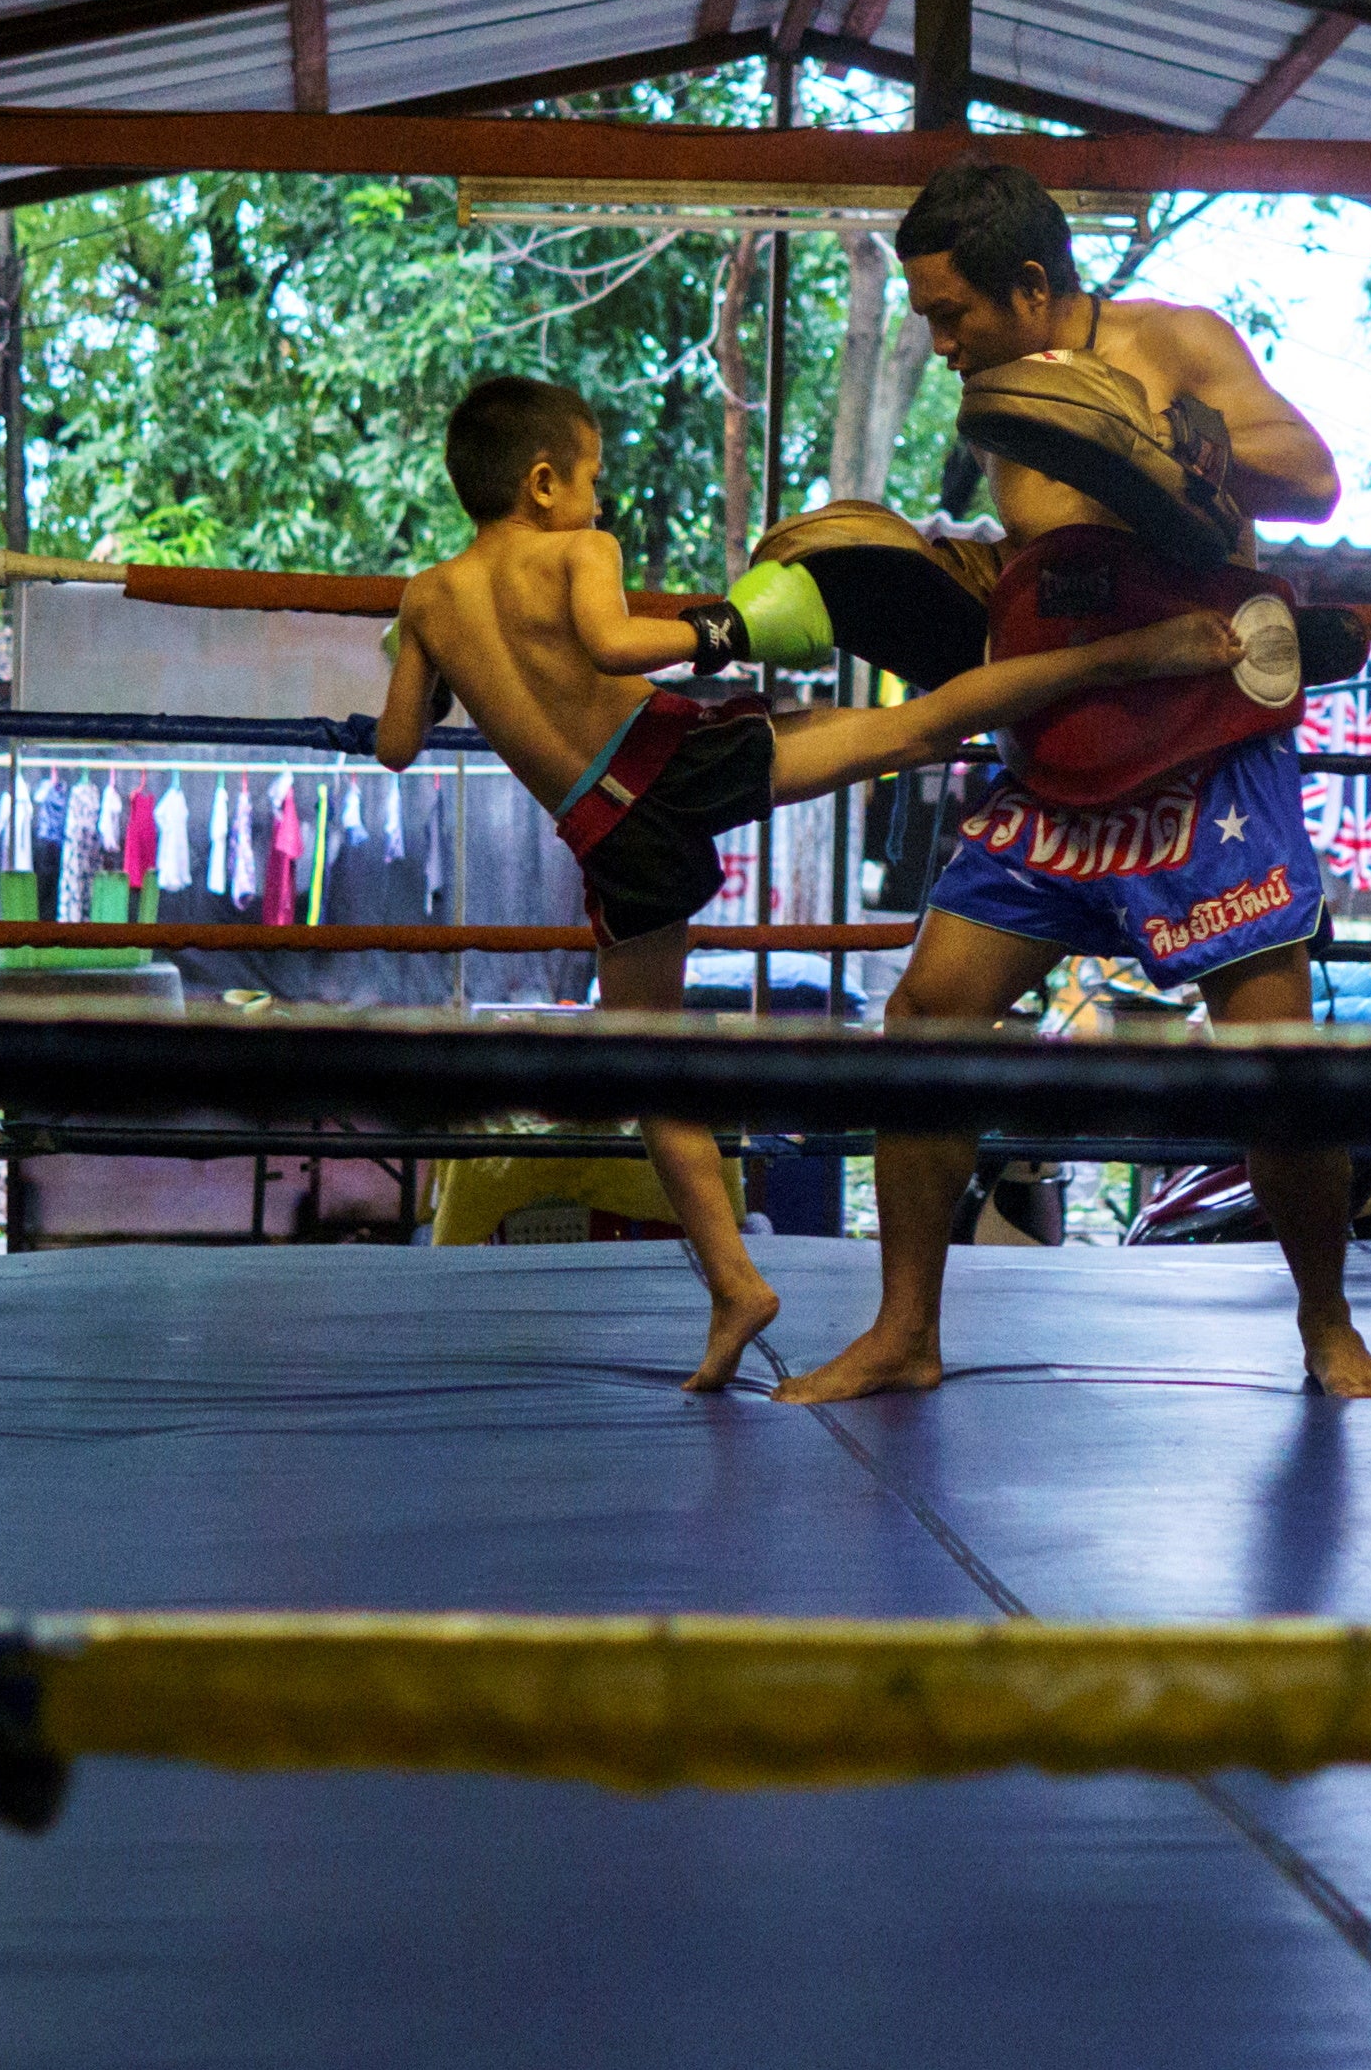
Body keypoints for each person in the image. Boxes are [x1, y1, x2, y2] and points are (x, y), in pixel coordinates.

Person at [382, 370, 1275, 1394]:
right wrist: (739, 625)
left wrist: (428, 656)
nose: (600, 499)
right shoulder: (579, 548)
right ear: (542, 484)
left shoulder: (426, 599)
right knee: (917, 725)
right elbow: (613, 643)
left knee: (647, 1072)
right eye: (591, 477)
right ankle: (1136, 651)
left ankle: (734, 1287)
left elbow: (402, 744)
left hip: (609, 830)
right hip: (667, 760)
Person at [776, 158, 1371, 1406]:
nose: (940, 341)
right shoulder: (1002, 406)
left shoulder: (1170, 343)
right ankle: (906, 1326)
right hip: (1058, 761)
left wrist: (1192, 452)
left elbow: (1315, 474)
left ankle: (1328, 1329)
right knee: (926, 1022)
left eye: (953, 314)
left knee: (1273, 1060)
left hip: (1199, 753)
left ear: (1030, 284)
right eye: (926, 319)